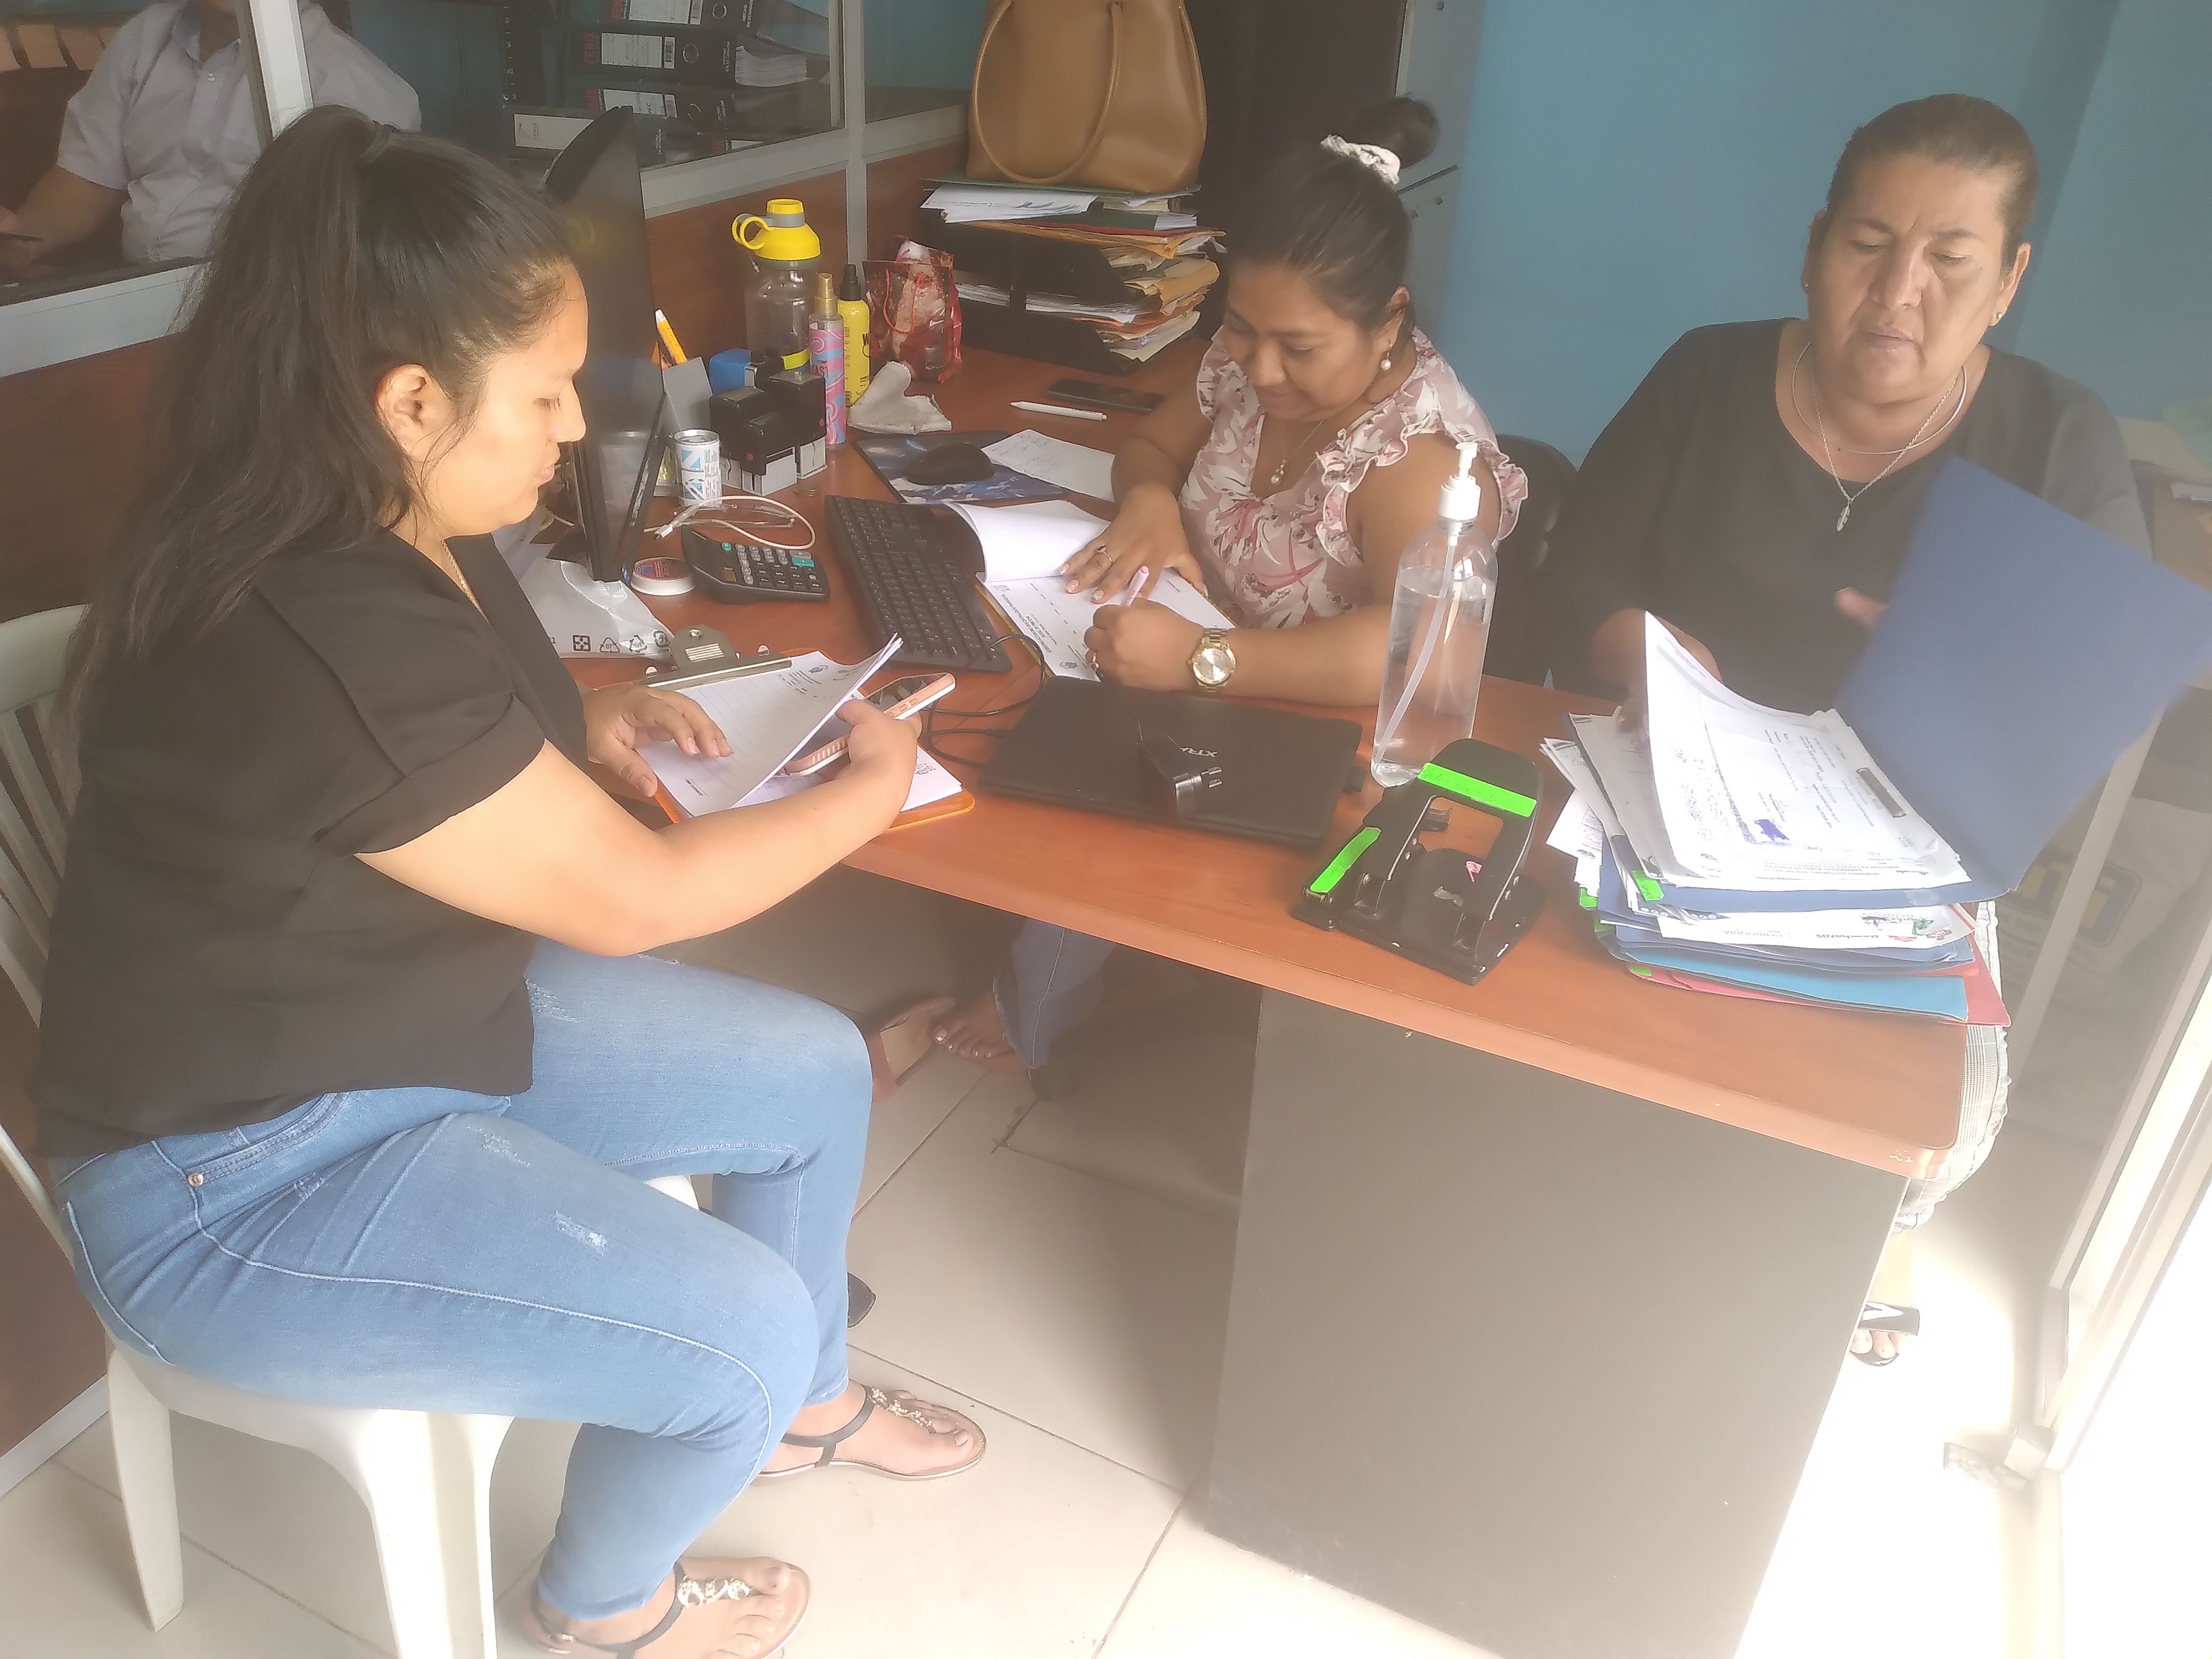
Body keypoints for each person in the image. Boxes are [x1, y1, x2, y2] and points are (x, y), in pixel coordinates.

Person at [35, 109, 980, 1659]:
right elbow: (639, 897)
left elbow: (407, 751)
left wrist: (589, 723)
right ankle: (605, 1606)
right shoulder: (315, 619)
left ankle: (802, 1410)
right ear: (412, 399)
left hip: (396, 1011)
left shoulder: (397, 508)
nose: (569, 425)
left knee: (812, 1069)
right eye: (544, 393)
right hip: (230, 1177)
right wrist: (872, 790)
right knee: (732, 1326)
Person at [1536, 93, 2149, 1364]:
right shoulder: (1706, 375)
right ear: (1814, 247)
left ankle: (1866, 1222)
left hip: (1900, 838)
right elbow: (1578, 564)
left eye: (1949, 260)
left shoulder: (2057, 440)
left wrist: (1963, 672)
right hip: (1666, 782)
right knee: (1561, 1016)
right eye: (1868, 244)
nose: (1897, 292)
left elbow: (2083, 704)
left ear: (2007, 282)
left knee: (1941, 1123)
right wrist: (1642, 649)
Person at [928, 99, 1526, 1078]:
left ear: (1388, 321)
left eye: (1299, 346)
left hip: (1323, 733)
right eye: (1242, 329)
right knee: (989, 692)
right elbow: (1152, 445)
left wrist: (1202, 660)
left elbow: (1425, 652)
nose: (1261, 368)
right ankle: (1098, 954)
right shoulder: (1247, 363)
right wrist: (1151, 506)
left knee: (1096, 788)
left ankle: (1040, 1001)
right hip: (1184, 662)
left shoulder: (1416, 453)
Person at [0, 0, 418, 274]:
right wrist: (27, 235)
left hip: (256, 317)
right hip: (130, 292)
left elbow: (353, 263)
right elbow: (88, 175)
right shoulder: (145, 38)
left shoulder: (359, 93)